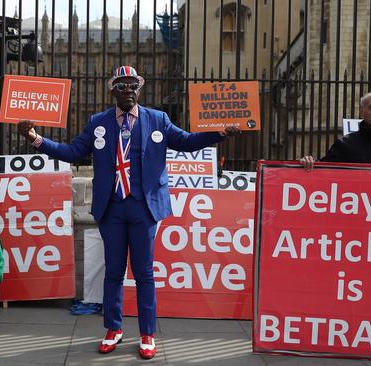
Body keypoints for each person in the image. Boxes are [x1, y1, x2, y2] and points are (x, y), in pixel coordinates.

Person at [18, 66, 239, 360]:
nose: (129, 90)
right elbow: (72, 152)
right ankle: (113, 329)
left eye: (133, 85)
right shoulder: (99, 122)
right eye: (122, 86)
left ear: (139, 89)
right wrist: (36, 138)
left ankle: (147, 334)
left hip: (143, 207)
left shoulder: (157, 119)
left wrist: (219, 134)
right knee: (113, 272)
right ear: (113, 90)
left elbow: (185, 142)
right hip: (112, 207)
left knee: (145, 273)